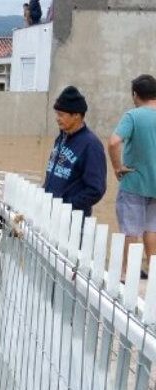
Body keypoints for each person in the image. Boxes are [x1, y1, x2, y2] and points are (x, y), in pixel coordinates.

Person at [108, 74, 156, 279]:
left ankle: (128, 272)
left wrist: (118, 167)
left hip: (134, 182)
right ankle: (153, 271)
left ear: (135, 95)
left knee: (131, 229)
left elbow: (113, 142)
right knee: (152, 228)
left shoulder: (133, 116)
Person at [43, 86, 106, 218]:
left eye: (61, 115)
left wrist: (68, 205)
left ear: (76, 115)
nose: (57, 118)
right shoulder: (61, 138)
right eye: (56, 114)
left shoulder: (91, 145)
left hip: (72, 220)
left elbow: (96, 190)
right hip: (51, 213)